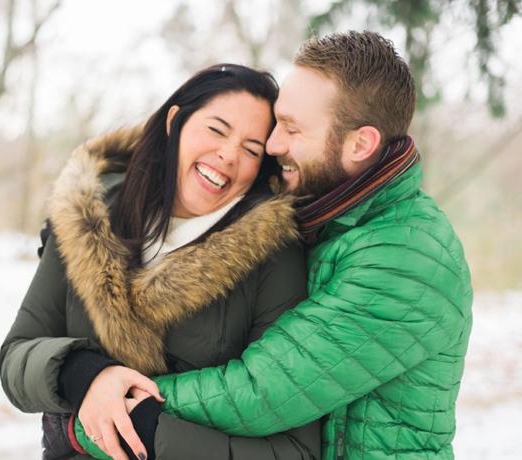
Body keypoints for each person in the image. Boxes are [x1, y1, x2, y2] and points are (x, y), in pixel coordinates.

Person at [73, 31, 473, 460]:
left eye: (293, 128)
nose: (273, 144)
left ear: (360, 144)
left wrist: (105, 406)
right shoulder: (332, 216)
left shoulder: (407, 259)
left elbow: (262, 391)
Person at [1, 64, 322, 460]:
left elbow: (296, 448)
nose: (227, 155)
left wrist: (152, 433)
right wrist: (82, 373)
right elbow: (16, 356)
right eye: (217, 130)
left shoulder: (273, 255)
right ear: (176, 121)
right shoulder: (87, 213)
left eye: (251, 149)